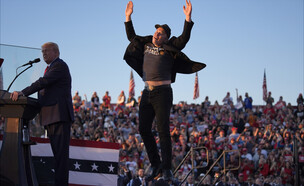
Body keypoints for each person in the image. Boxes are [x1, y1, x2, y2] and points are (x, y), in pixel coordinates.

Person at [124, 0, 205, 181]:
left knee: (162, 130)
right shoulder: (145, 45)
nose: (156, 34)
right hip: (146, 92)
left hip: (163, 93)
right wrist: (128, 17)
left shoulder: (170, 48)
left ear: (166, 37)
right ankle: (155, 164)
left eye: (160, 33)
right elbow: (132, 37)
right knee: (143, 129)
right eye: (156, 31)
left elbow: (184, 38)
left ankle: (167, 168)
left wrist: (188, 18)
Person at [10, 42, 74, 186]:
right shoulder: (50, 68)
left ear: (56, 52)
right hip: (51, 117)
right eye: (42, 51)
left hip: (59, 116)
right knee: (58, 157)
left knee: (60, 158)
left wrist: (23, 92)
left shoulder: (59, 66)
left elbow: (42, 82)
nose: (43, 54)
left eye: (46, 51)